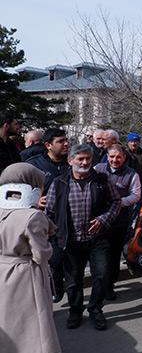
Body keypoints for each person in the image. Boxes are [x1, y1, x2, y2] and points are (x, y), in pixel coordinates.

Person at [45, 144, 121, 330]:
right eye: (80, 159)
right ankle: (75, 311)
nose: (85, 162)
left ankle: (95, 309)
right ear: (70, 161)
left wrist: (104, 219)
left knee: (102, 275)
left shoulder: (102, 180)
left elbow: (116, 202)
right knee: (73, 280)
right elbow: (50, 211)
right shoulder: (59, 183)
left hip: (98, 239)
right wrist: (54, 234)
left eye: (88, 158)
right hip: (70, 241)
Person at [0, 163, 62, 353]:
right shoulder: (33, 216)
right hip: (23, 277)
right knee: (26, 335)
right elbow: (41, 254)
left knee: (5, 330)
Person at [25, 128, 70, 303]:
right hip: (44, 222)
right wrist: (35, 201)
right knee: (55, 260)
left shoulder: (72, 162)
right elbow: (20, 189)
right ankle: (56, 286)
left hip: (70, 219)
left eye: (66, 140)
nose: (65, 144)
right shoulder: (34, 165)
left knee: (70, 260)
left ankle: (73, 295)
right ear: (48, 145)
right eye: (60, 141)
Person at [94, 144, 141, 300]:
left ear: (124, 158)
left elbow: (136, 195)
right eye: (112, 157)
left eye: (118, 157)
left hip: (119, 221)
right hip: (99, 220)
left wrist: (118, 202)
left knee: (114, 255)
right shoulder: (98, 169)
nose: (115, 160)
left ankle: (109, 285)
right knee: (101, 255)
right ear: (107, 157)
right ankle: (99, 283)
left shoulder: (131, 174)